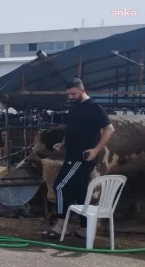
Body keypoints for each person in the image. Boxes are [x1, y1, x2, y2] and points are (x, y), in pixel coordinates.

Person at [43, 77, 115, 239]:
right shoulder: (75, 107)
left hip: (82, 157)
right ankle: (84, 228)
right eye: (69, 94)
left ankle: (61, 225)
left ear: (82, 90)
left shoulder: (94, 107)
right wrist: (62, 143)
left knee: (60, 186)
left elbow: (109, 129)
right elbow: (72, 128)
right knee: (80, 191)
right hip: (71, 153)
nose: (70, 97)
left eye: (73, 94)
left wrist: (96, 151)